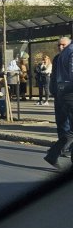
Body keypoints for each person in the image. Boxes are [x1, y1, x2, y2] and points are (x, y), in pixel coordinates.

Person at [44, 37, 73, 168]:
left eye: (63, 45)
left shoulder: (63, 56)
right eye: (59, 45)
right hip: (65, 95)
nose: (61, 47)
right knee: (65, 125)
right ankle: (55, 153)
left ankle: (53, 153)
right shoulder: (64, 55)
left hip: (64, 94)